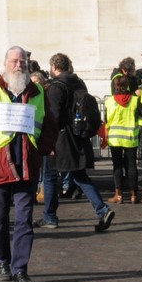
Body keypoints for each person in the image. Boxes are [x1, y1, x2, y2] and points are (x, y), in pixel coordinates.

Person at [0, 46, 57, 282]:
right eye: (14, 61)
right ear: (5, 63)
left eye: (23, 62)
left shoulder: (38, 91)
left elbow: (50, 125)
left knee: (24, 220)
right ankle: (2, 262)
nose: (19, 65)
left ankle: (20, 269)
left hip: (27, 165)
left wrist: (43, 148)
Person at [42, 53, 115, 231]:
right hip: (78, 136)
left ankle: (50, 217)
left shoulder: (56, 86)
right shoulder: (79, 82)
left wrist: (48, 140)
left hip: (60, 138)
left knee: (49, 176)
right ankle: (102, 210)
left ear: (54, 67)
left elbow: (54, 116)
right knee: (79, 175)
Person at [105, 73, 140, 204]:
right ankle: (134, 195)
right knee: (132, 166)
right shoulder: (135, 100)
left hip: (115, 138)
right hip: (130, 137)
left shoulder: (109, 101)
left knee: (117, 166)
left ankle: (118, 195)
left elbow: (106, 119)